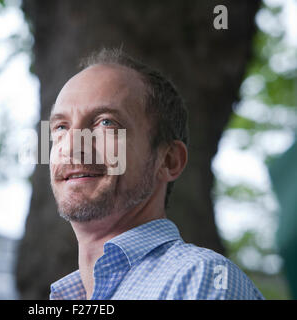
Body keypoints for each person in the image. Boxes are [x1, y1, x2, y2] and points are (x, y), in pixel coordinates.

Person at [48, 48, 264, 300]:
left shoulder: (199, 280)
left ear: (169, 161)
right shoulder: (68, 295)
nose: (72, 146)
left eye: (106, 122)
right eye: (61, 127)